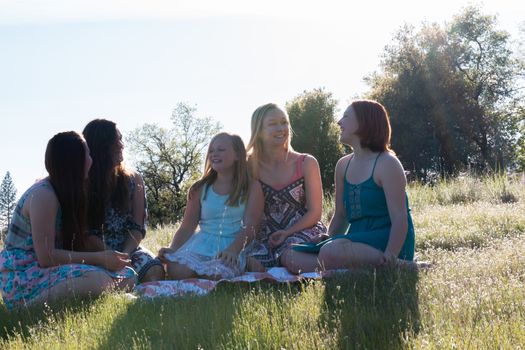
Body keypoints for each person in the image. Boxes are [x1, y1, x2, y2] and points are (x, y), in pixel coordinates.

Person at [0, 131, 136, 309]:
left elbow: (76, 243)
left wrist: (111, 257)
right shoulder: (43, 195)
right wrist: (101, 259)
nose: (91, 160)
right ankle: (25, 308)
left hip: (48, 272)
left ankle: (97, 294)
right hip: (23, 277)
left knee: (129, 275)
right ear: (76, 161)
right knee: (98, 280)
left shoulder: (69, 191)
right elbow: (46, 257)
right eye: (87, 154)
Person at [286, 100, 415, 273]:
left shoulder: (387, 163)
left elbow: (400, 219)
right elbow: (341, 215)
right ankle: (357, 270)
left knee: (331, 251)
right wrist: (329, 237)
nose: (339, 122)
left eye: (346, 116)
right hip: (355, 239)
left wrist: (391, 253)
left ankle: (395, 265)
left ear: (364, 122)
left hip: (389, 241)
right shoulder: (343, 165)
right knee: (290, 256)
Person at [158, 132, 263, 280]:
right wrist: (174, 248)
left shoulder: (252, 186)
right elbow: (187, 226)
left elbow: (251, 225)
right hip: (202, 243)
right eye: (211, 151)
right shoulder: (200, 188)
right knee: (177, 271)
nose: (214, 154)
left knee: (217, 275)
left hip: (235, 244)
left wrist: (234, 250)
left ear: (237, 155)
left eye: (221, 150)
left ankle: (246, 263)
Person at [243, 103, 327, 272]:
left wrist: (288, 232)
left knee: (291, 258)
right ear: (258, 131)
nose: (281, 128)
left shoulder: (306, 162)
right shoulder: (247, 165)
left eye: (284, 122)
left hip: (302, 230)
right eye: (272, 124)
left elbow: (315, 212)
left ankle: (346, 269)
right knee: (247, 263)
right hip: (265, 237)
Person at [83, 119, 165, 282]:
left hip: (128, 249)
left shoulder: (134, 179)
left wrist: (125, 254)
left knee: (154, 270)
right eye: (116, 141)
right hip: (94, 254)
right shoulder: (83, 183)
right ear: (101, 146)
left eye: (121, 139)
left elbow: (137, 227)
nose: (122, 145)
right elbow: (82, 233)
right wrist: (107, 255)